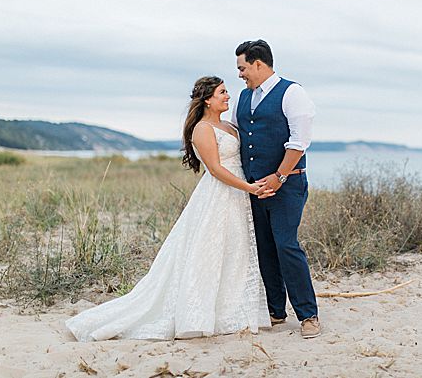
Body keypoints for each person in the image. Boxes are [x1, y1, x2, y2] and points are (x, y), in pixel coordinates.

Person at [65, 76, 273, 341]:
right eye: (222, 92)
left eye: (226, 91)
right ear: (208, 99)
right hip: (221, 194)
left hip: (238, 195)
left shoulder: (229, 126)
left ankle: (232, 310)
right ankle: (198, 313)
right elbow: (216, 170)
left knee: (234, 251)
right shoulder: (203, 129)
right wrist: (251, 188)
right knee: (208, 251)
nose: (227, 96)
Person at [232, 39, 322, 338]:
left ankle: (308, 315)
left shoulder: (292, 93)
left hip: (287, 185)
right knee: (265, 249)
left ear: (259, 63)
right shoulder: (244, 98)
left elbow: (299, 142)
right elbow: (238, 135)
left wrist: (279, 177)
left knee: (286, 245)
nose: (240, 74)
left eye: (242, 68)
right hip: (254, 187)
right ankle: (276, 311)